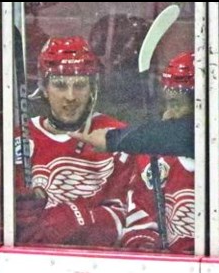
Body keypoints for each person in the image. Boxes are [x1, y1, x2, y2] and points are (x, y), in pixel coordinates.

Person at [73, 52, 219, 252]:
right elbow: (140, 221)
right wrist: (147, 251)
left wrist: (217, 257)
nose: (167, 114)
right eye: (167, 103)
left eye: (176, 104)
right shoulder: (153, 159)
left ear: (206, 105)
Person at [14, 36, 132, 247]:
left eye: (79, 85)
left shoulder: (117, 136)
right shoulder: (18, 138)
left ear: (93, 88)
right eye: (60, 85)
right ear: (44, 88)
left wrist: (75, 218)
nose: (70, 96)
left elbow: (128, 214)